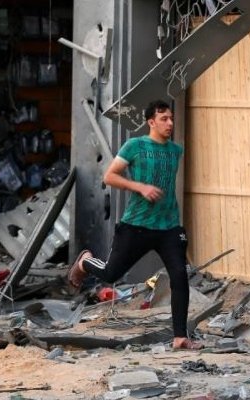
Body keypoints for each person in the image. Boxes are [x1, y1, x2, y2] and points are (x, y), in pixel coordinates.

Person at [68, 100, 202, 350]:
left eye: (171, 118)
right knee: (111, 273)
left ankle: (180, 337)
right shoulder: (135, 146)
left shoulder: (176, 151)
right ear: (151, 122)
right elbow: (109, 176)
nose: (170, 123)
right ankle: (85, 262)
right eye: (164, 119)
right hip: (136, 225)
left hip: (169, 226)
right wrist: (140, 187)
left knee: (180, 276)